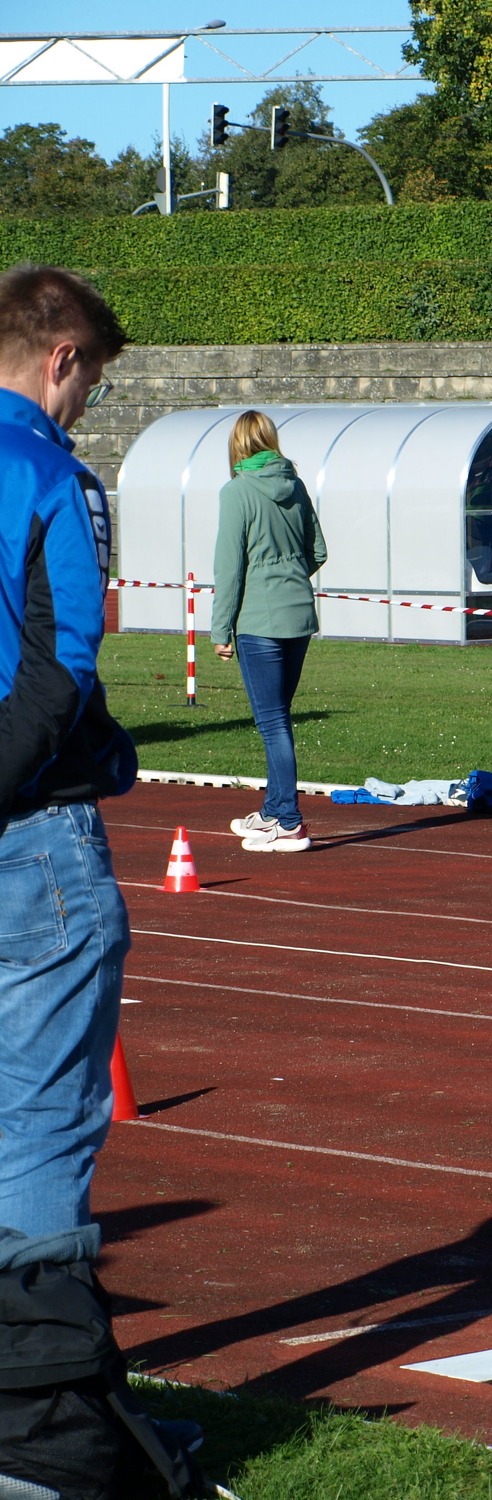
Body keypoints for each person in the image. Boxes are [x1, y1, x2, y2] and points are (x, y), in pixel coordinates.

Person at [0, 263, 136, 1237]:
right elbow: (60, 673)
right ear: (61, 361)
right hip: (29, 827)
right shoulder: (54, 476)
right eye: (93, 381)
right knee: (44, 1113)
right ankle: (44, 1328)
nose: (87, 403)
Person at [210, 410, 326, 853]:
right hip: (298, 616)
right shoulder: (295, 485)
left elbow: (229, 567)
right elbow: (318, 550)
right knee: (278, 717)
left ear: (238, 446)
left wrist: (220, 629)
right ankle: (275, 810)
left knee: (272, 721)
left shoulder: (236, 491)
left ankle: (290, 822)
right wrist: (289, 578)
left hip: (259, 620)